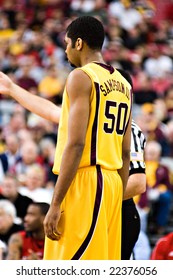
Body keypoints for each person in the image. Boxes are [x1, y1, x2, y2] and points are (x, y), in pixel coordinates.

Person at [0, 16, 132, 260]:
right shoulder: (124, 84)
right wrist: (11, 89)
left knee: (69, 267)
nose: (65, 49)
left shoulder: (82, 77)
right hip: (112, 184)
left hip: (85, 181)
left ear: (78, 43)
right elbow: (125, 153)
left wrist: (55, 203)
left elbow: (76, 143)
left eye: (67, 43)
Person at [122, 119, 146, 260]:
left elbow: (138, 183)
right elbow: (55, 113)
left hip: (119, 212)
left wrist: (95, 203)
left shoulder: (129, 129)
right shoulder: (87, 122)